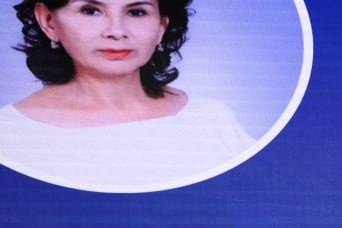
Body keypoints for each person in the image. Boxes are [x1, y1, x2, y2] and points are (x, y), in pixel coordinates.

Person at [0, 1, 254, 190]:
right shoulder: (10, 133)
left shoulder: (209, 117)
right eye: (91, 10)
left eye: (136, 12)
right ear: (48, 21)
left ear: (161, 26)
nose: (117, 31)